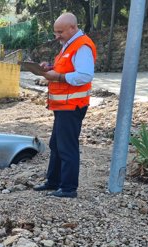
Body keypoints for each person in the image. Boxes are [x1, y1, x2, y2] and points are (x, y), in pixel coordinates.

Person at [33, 12, 96, 199]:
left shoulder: (82, 46)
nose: (57, 36)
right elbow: (66, 68)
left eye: (60, 32)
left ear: (73, 28)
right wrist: (50, 67)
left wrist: (58, 77)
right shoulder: (68, 44)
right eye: (55, 32)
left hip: (72, 105)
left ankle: (68, 188)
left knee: (67, 146)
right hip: (63, 106)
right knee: (56, 144)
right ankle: (53, 181)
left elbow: (84, 75)